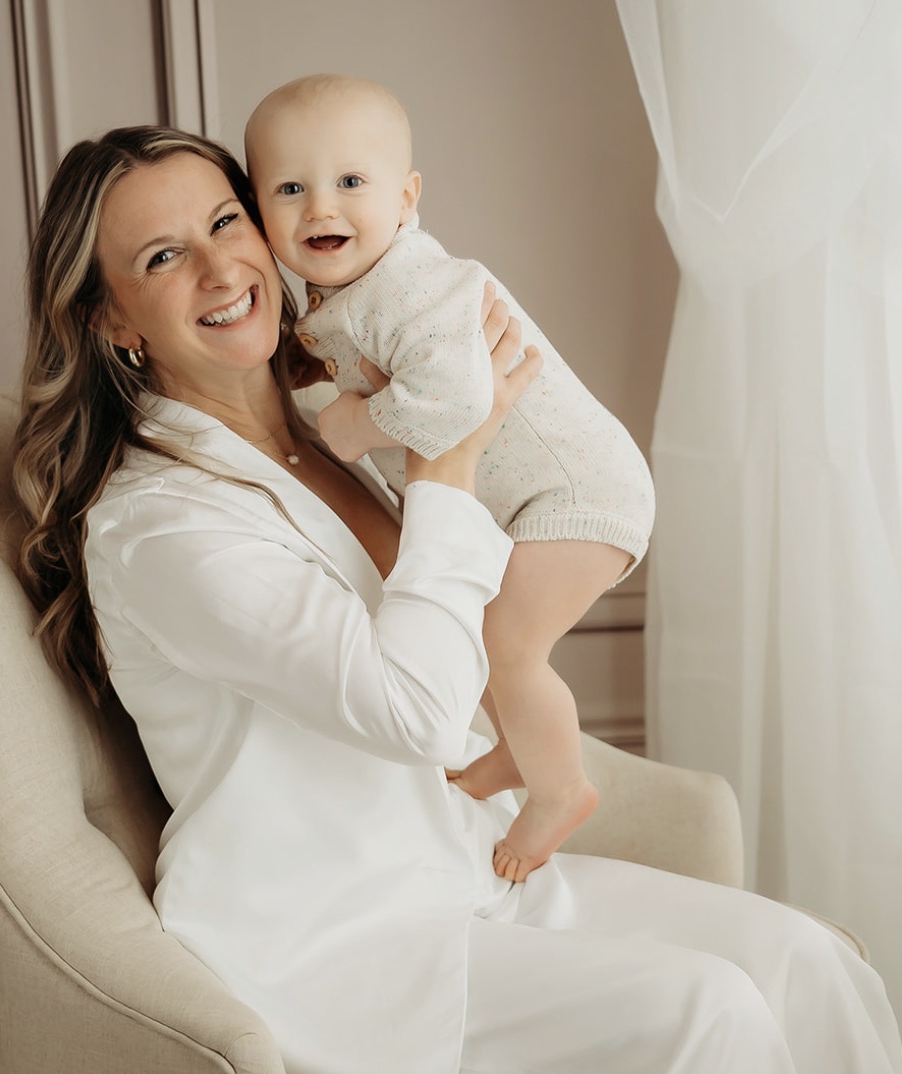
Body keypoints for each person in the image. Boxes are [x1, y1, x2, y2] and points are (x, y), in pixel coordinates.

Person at [12, 124, 902, 1074]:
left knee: (807, 962)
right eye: (162, 257)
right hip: (342, 933)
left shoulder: (330, 427)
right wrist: (450, 456)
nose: (221, 267)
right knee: (709, 1009)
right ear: (111, 320)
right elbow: (421, 714)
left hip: (471, 864)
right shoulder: (158, 527)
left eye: (227, 221)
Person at [244, 73, 655, 881]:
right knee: (488, 633)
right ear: (260, 213)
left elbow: (459, 397)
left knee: (507, 643)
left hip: (578, 493)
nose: (321, 207)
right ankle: (517, 752)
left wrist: (355, 426)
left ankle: (560, 789)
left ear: (405, 199)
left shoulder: (410, 286)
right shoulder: (350, 291)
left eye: (350, 182)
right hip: (542, 498)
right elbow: (349, 353)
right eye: (291, 189)